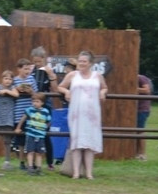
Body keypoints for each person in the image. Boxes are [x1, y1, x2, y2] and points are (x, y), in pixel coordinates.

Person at [58, 50, 107, 180]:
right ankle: (75, 172)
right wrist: (66, 92)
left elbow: (104, 87)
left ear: (90, 63)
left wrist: (102, 92)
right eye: (80, 61)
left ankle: (89, 173)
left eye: (84, 61)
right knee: (77, 142)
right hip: (76, 113)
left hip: (92, 114)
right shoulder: (73, 75)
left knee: (89, 142)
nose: (81, 63)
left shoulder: (97, 76)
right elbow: (60, 86)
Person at [30, 46, 58, 168]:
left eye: (39, 62)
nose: (37, 64)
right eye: (35, 61)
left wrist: (51, 75)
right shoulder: (32, 71)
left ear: (44, 59)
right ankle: (34, 162)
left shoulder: (48, 70)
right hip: (34, 103)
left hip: (46, 104)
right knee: (33, 132)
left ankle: (50, 162)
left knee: (45, 133)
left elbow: (55, 89)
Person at [15, 93, 52, 176]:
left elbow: (49, 121)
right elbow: (23, 118)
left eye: (37, 101)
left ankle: (39, 168)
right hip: (30, 134)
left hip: (40, 135)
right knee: (30, 151)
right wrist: (18, 127)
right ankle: (30, 168)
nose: (35, 103)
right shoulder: (29, 110)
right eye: (33, 101)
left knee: (40, 152)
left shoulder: (45, 111)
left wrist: (45, 127)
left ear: (42, 102)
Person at [12, 58, 37, 171]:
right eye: (25, 69)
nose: (27, 71)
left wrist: (30, 91)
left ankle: (32, 162)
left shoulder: (32, 79)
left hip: (31, 114)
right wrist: (17, 89)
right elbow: (12, 93)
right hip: (18, 112)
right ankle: (22, 161)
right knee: (21, 141)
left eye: (29, 69)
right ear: (19, 69)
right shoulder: (15, 80)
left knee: (32, 138)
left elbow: (37, 95)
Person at [136, 73, 153, 160]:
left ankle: (143, 154)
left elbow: (147, 90)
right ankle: (137, 153)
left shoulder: (141, 78)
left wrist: (133, 88)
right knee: (136, 131)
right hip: (136, 109)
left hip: (142, 109)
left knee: (140, 131)